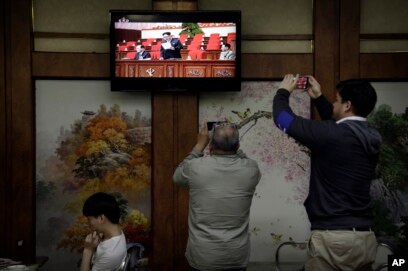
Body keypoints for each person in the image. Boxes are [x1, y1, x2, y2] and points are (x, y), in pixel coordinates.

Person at [273, 74, 382, 271]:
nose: (333, 103)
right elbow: (336, 131)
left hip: (334, 239)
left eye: (336, 100)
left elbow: (282, 118)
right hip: (364, 238)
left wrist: (283, 91)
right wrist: (319, 98)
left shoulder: (332, 135)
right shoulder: (371, 135)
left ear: (347, 105)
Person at [173, 122, 261, 271]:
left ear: (210, 146)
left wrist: (200, 145)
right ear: (238, 146)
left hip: (204, 257)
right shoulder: (251, 169)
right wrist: (232, 144)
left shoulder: (195, 167)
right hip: (236, 257)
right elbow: (243, 157)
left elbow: (177, 177)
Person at [80, 192, 127, 271]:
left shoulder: (111, 254)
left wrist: (88, 250)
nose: (88, 223)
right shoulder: (116, 231)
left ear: (101, 218)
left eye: (89, 219)